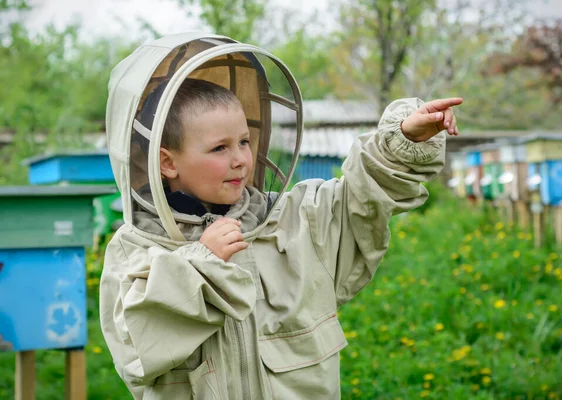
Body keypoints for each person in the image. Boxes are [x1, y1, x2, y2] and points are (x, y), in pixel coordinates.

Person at [100, 34, 461, 399]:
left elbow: (359, 201)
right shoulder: (137, 248)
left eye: (244, 141)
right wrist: (200, 264)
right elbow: (133, 350)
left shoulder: (291, 221)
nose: (241, 159)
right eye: (219, 148)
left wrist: (402, 142)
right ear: (167, 161)